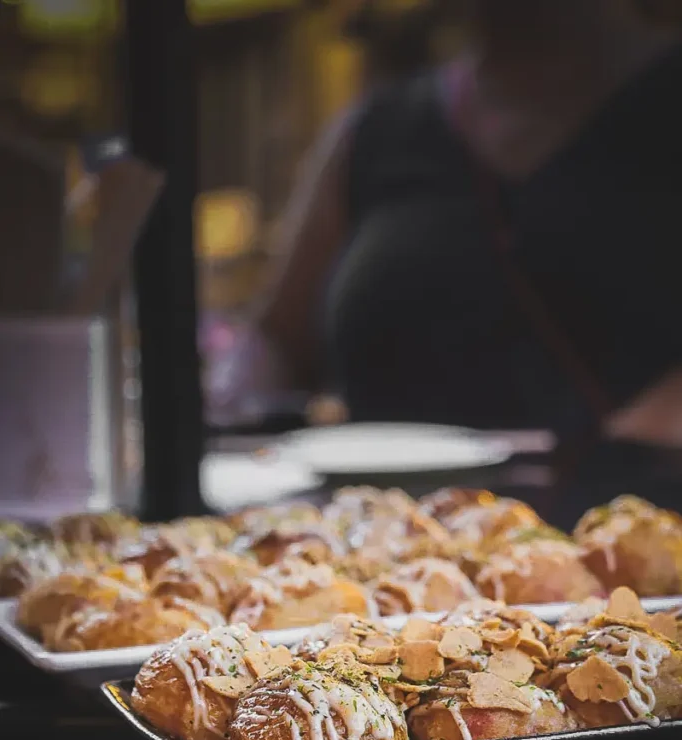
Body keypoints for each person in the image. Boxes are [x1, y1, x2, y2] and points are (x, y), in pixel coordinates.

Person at [254, 0, 682, 445]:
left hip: (633, 506)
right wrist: (241, 386)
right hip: (393, 510)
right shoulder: (372, 134)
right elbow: (277, 340)